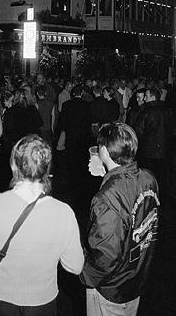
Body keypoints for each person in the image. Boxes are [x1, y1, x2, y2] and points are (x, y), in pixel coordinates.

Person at [0, 134, 84, 315]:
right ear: (47, 168)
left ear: (13, 166)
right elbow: (75, 266)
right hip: (42, 301)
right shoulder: (63, 212)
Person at [81, 123, 160, 316]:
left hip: (111, 290)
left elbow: (105, 256)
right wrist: (109, 175)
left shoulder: (106, 198)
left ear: (104, 151)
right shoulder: (149, 178)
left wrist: (83, 275)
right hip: (137, 277)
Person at [134, 88, 171, 189]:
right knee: (161, 177)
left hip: (148, 152)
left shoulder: (146, 112)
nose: (145, 98)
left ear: (153, 97)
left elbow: (138, 132)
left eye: (146, 96)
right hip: (164, 150)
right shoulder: (168, 111)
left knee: (148, 177)